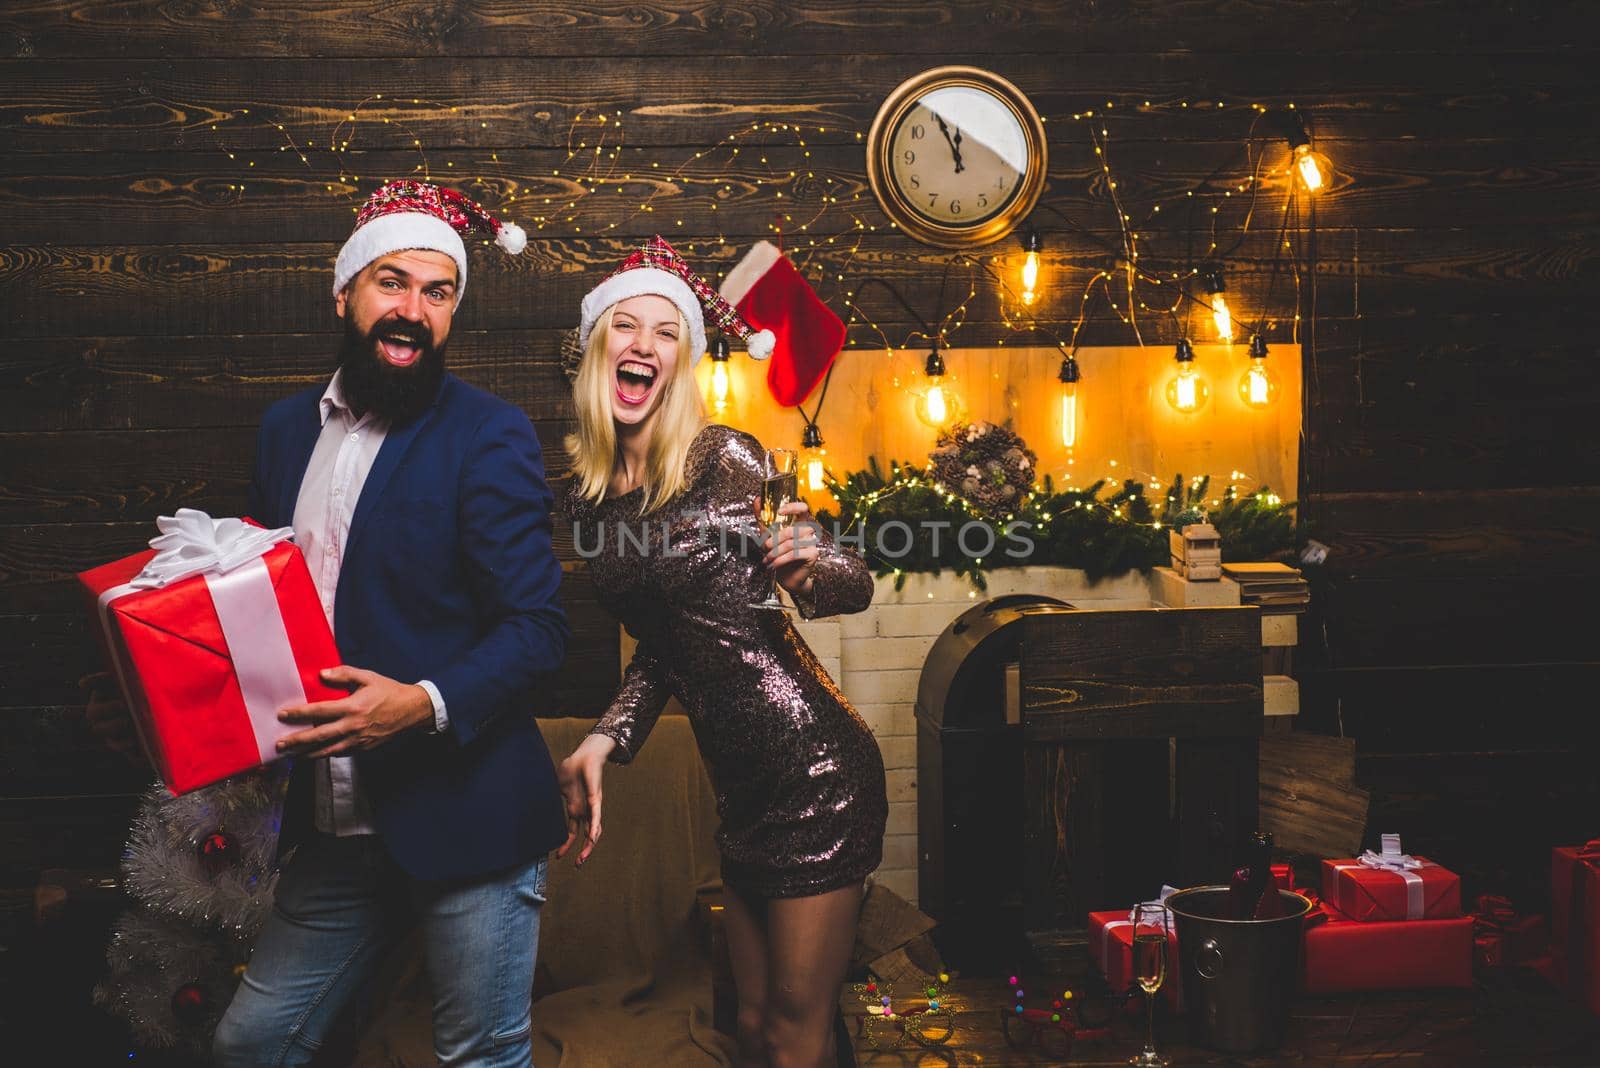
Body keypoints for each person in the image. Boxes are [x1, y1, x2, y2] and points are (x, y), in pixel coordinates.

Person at [194, 180, 568, 1067]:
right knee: (251, 1043)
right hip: (334, 827)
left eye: (438, 293)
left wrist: (424, 702)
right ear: (344, 294)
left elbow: (540, 627)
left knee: (478, 1056)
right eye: (391, 283)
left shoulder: (490, 434)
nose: (412, 310)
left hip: (468, 817)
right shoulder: (285, 431)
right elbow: (256, 603)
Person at [556, 237, 887, 1068]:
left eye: (666, 332)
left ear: (684, 360)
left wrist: (814, 565)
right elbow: (668, 650)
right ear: (598, 352)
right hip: (742, 792)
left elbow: (853, 582)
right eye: (625, 327)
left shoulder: (723, 458)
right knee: (747, 1028)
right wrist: (607, 736)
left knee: (791, 1034)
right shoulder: (592, 501)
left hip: (818, 770)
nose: (643, 344)